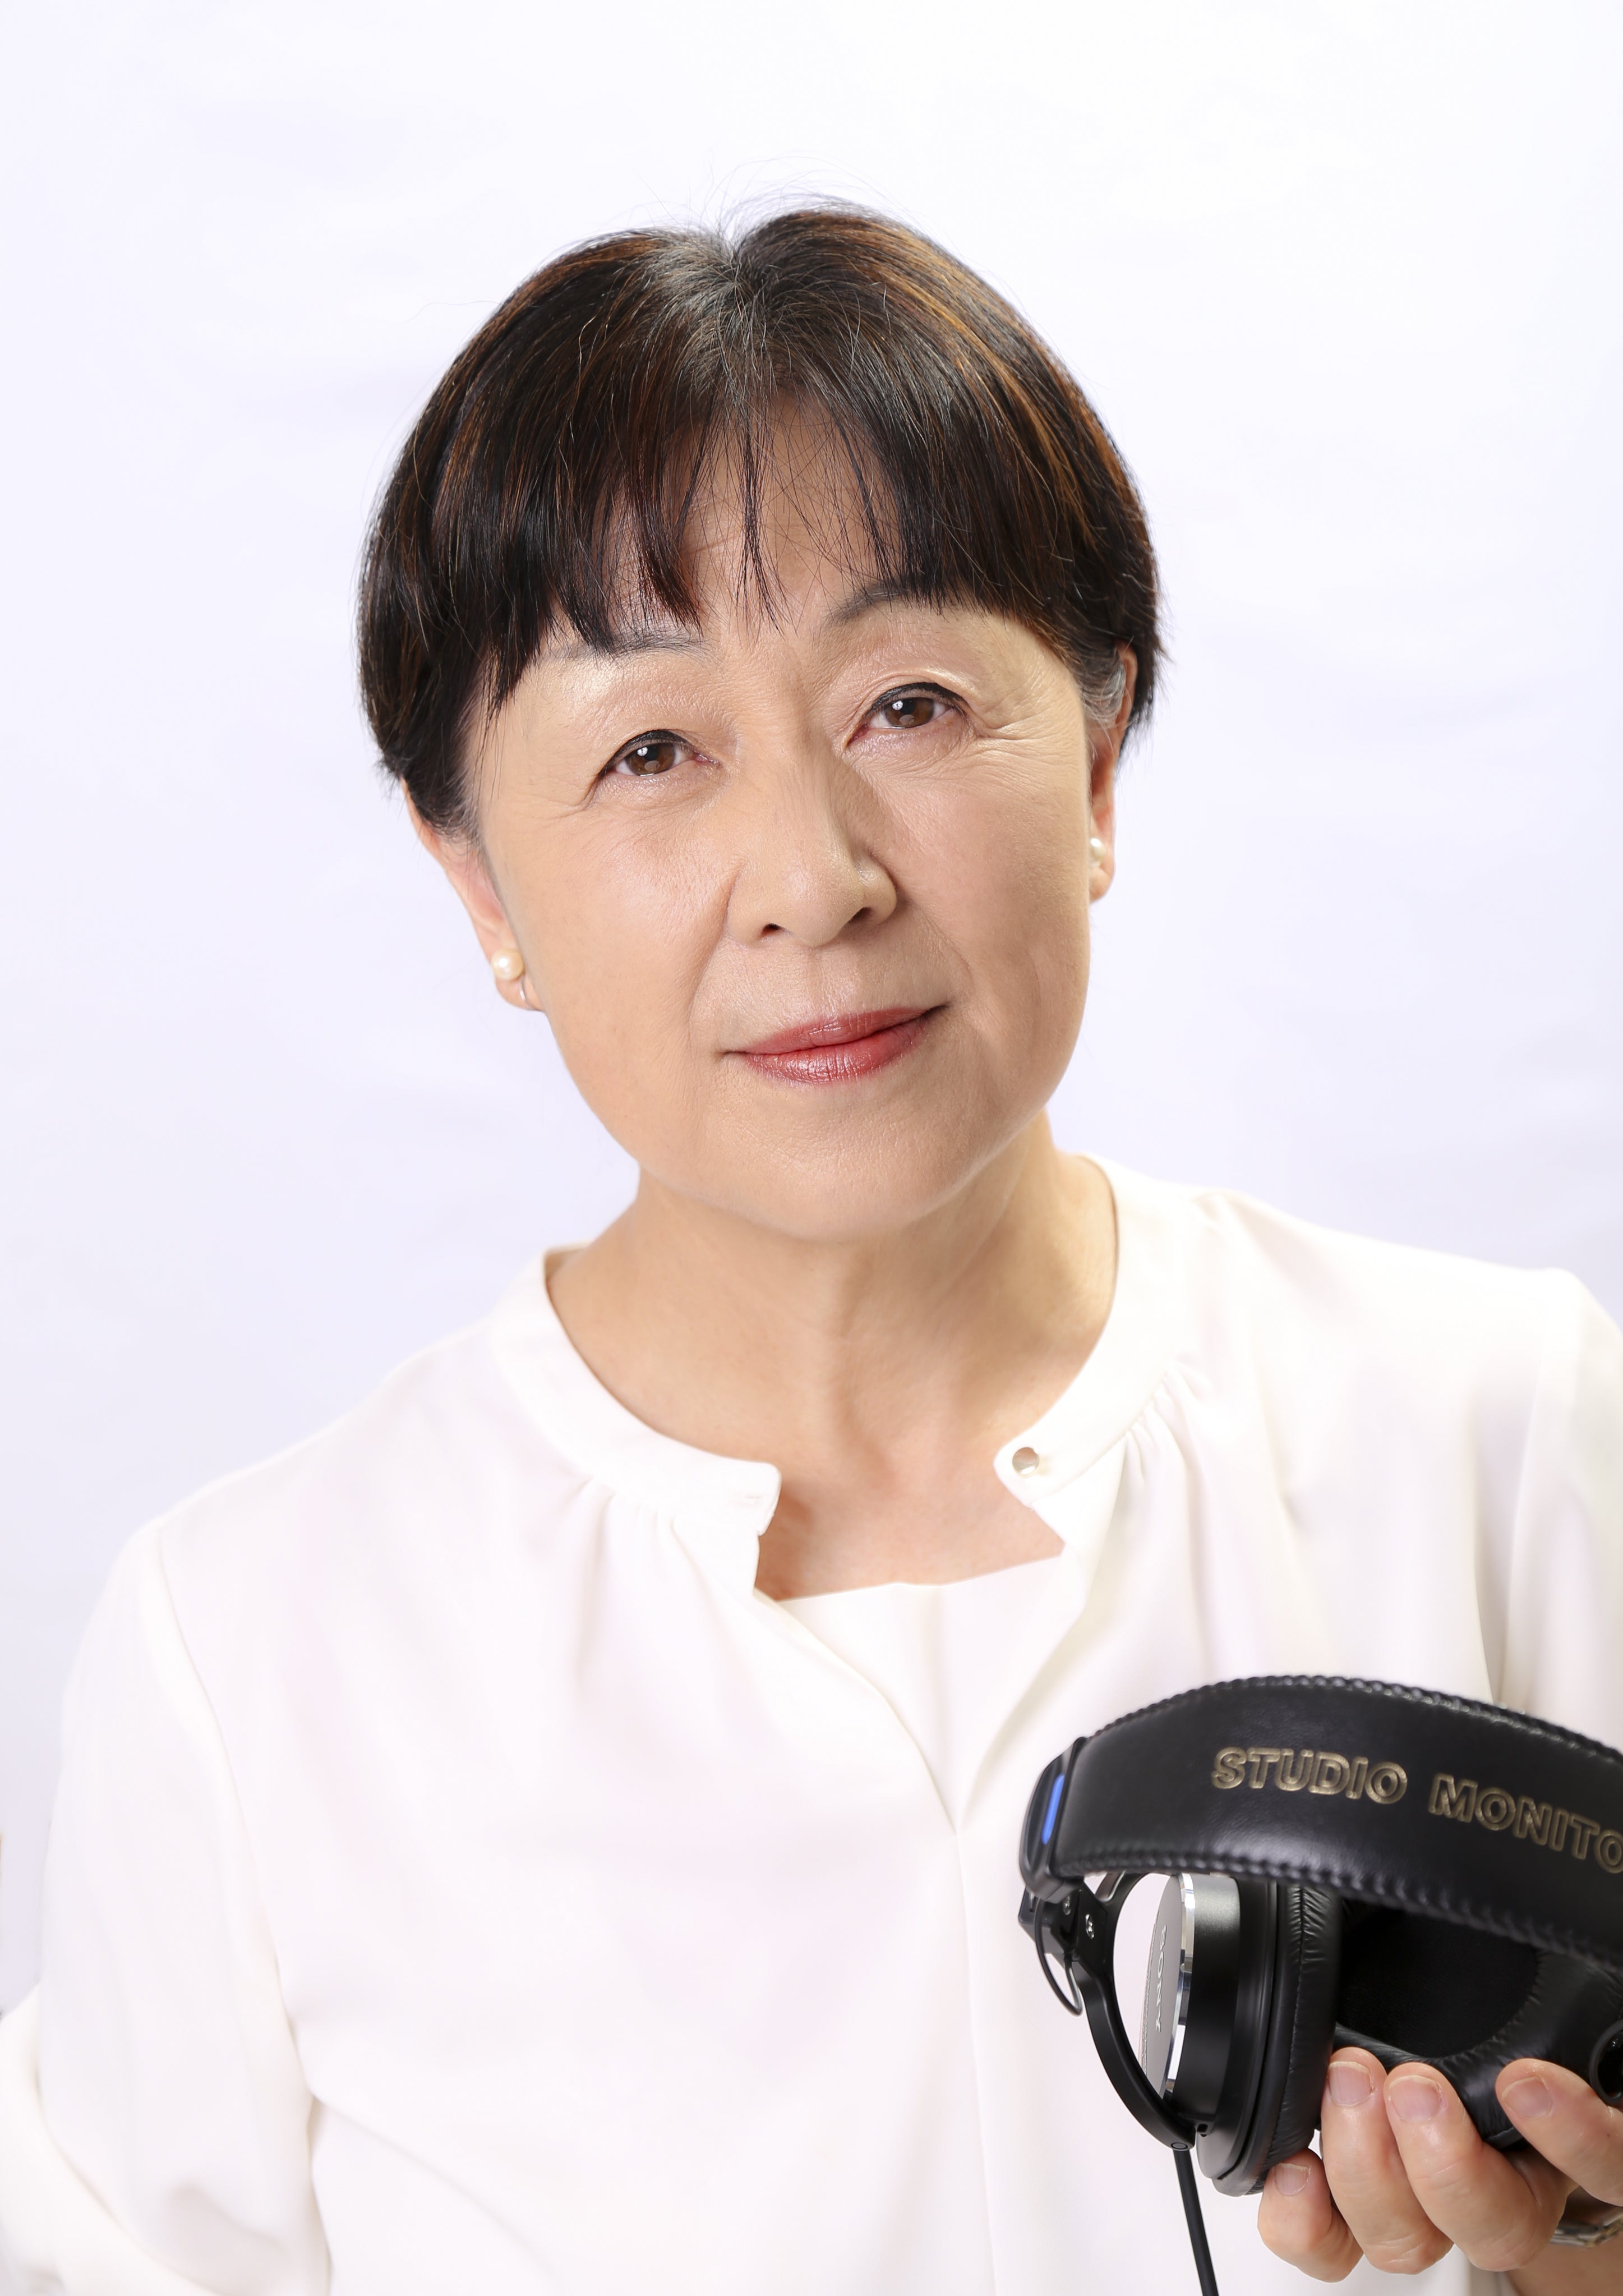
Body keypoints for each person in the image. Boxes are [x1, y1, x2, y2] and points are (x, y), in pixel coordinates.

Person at [1, 206, 1621, 2296]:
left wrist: (1580, 2255)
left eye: (909, 704)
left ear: (1098, 760)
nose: (813, 876)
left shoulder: (1503, 1429)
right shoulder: (252, 1649)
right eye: (650, 751)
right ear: (476, 882)